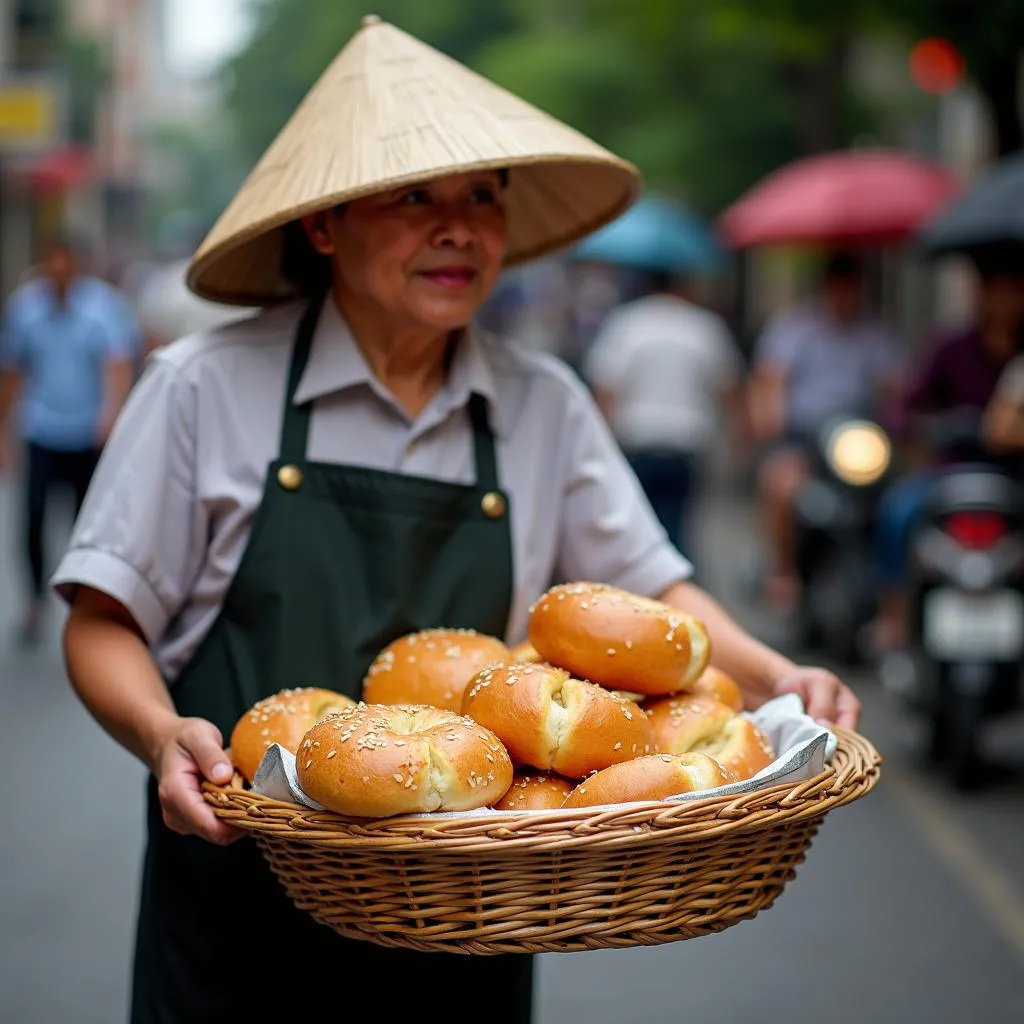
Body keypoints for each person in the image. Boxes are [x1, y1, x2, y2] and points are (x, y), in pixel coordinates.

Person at [50, 17, 859, 1024]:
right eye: (413, 195)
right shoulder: (203, 387)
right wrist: (162, 733)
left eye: (481, 196)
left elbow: (651, 589)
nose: (459, 227)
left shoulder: (541, 401)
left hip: (470, 913)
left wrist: (780, 677)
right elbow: (100, 616)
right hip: (239, 902)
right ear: (324, 225)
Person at [868, 245, 1024, 653]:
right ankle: (896, 618)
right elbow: (905, 404)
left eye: (1013, 290)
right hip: (952, 474)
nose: (1004, 300)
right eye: (996, 289)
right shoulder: (950, 346)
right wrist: (925, 427)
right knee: (898, 513)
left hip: (1013, 478)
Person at [0, 235, 139, 645]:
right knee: (33, 517)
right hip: (42, 427)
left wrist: (112, 418)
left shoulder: (102, 308)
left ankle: (89, 603)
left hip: (86, 432)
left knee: (89, 523)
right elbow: (13, 371)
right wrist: (4, 431)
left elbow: (115, 365)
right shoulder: (25, 309)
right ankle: (33, 601)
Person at [747, 251, 903, 609]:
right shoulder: (797, 327)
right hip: (808, 437)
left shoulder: (875, 333)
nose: (845, 295)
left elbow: (895, 385)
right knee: (781, 483)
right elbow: (770, 379)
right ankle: (783, 571)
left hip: (859, 436)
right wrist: (770, 419)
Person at [583, 268, 747, 564]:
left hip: (638, 442)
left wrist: (598, 440)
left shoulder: (627, 323)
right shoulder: (704, 326)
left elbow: (606, 389)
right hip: (686, 444)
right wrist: (740, 434)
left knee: (635, 530)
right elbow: (729, 387)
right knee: (678, 527)